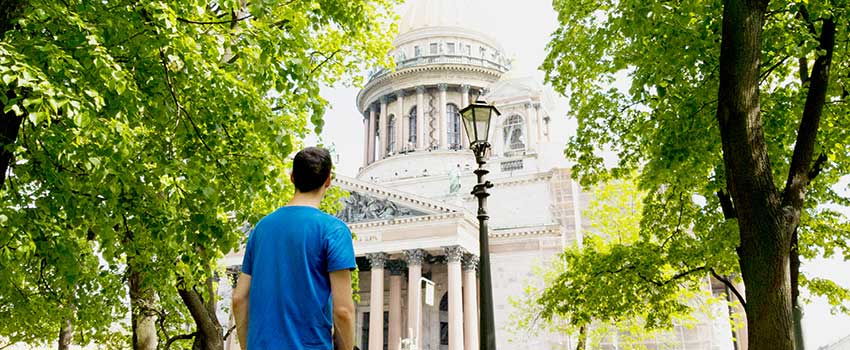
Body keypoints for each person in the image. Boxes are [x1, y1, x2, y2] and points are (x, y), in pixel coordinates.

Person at [232, 147, 356, 350]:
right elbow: (342, 311)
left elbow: (239, 299)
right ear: (328, 181)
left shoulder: (261, 228)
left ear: (292, 178)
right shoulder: (333, 230)